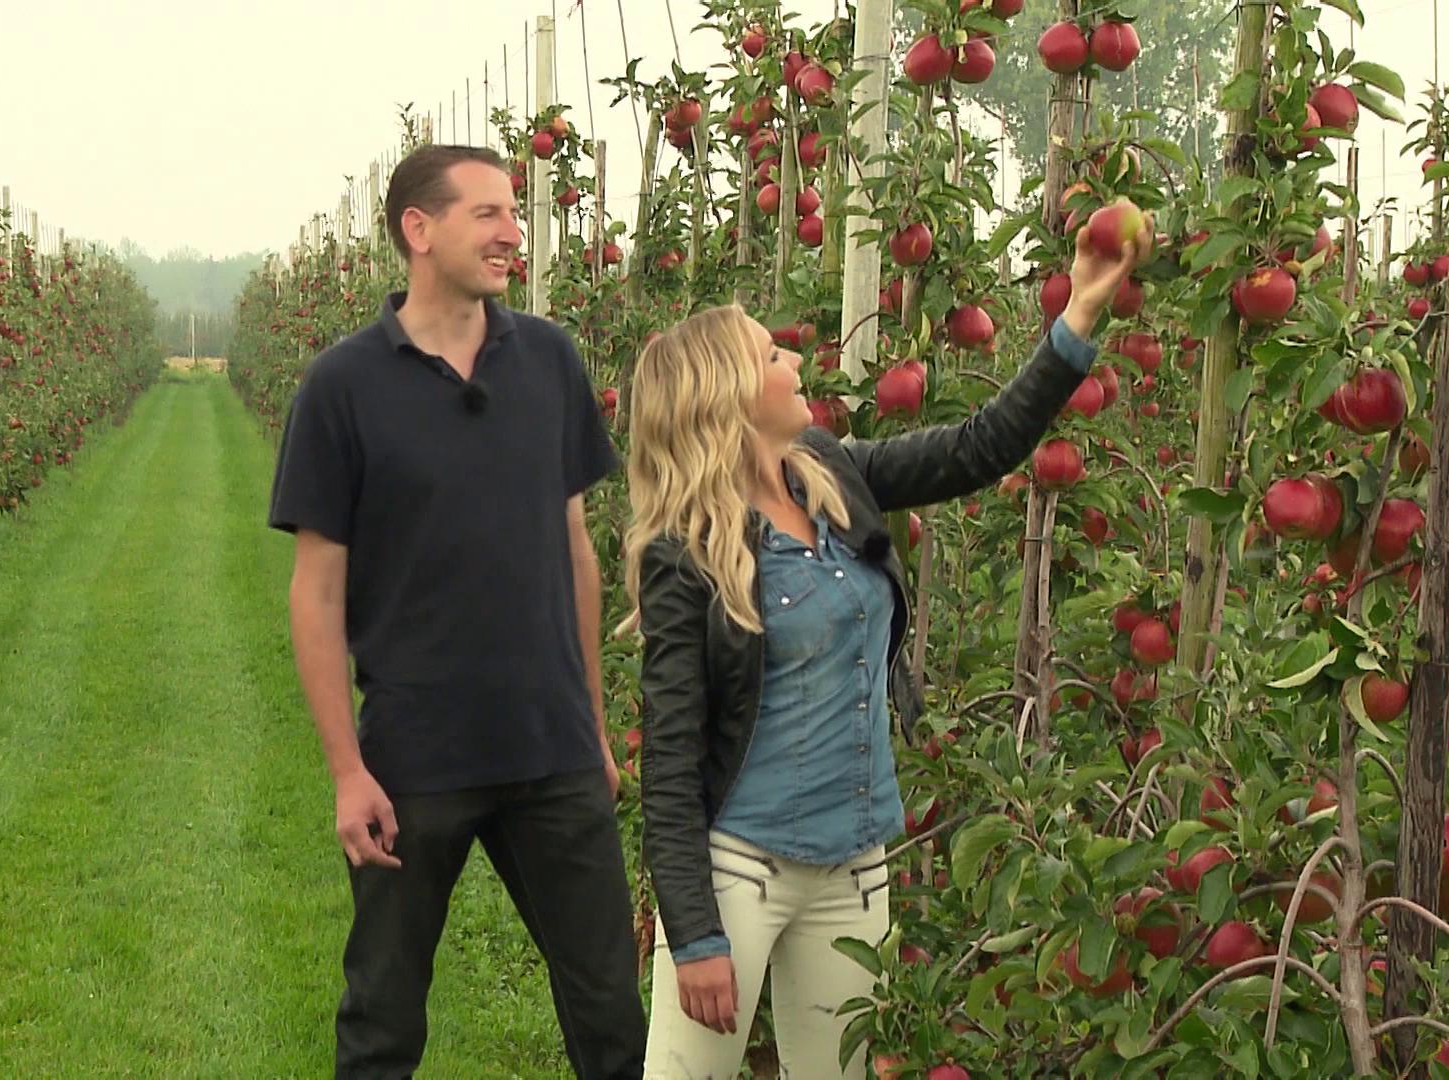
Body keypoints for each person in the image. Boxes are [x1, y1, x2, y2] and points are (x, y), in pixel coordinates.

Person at [620, 211, 1152, 1077]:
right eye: (771, 355)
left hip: (853, 868)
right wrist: (694, 934)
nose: (795, 362)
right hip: (738, 875)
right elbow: (671, 761)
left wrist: (1080, 313)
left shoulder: (830, 473)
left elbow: (978, 449)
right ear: (727, 396)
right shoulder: (689, 554)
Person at [268, 144, 648, 1079]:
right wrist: (347, 772)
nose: (514, 233)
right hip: (414, 759)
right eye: (489, 214)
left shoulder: (549, 360)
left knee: (611, 1018)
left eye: (514, 213)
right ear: (419, 229)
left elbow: (576, 550)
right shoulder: (343, 386)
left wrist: (594, 728)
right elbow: (316, 591)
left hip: (553, 750)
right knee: (382, 1022)